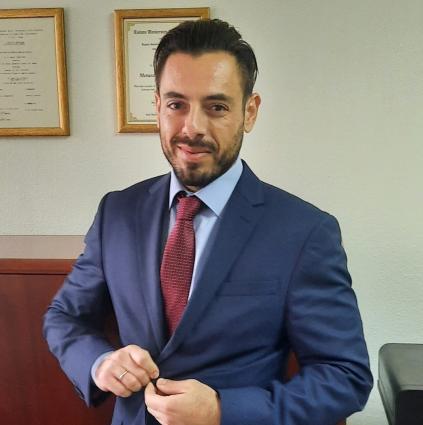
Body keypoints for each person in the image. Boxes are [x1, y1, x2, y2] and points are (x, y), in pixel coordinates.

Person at [44, 19, 373, 425]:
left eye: (216, 107)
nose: (192, 127)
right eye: (176, 104)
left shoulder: (304, 232)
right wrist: (100, 363)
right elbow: (64, 316)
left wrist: (222, 410)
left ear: (249, 112)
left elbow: (344, 376)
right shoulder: (118, 212)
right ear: (157, 107)